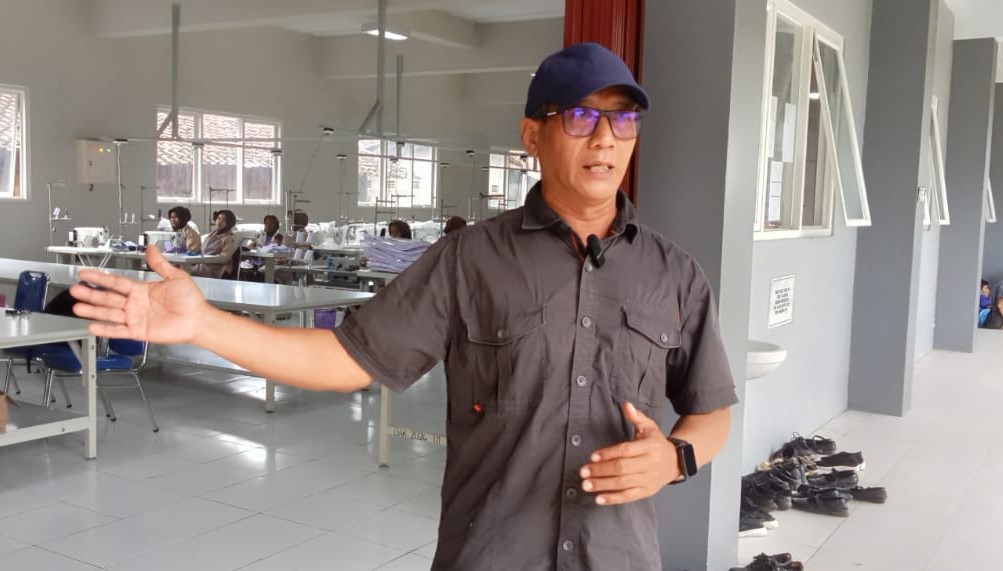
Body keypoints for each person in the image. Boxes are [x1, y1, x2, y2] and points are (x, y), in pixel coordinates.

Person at [70, 42, 736, 570]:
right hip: (491, 554)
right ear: (532, 135)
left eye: (623, 119)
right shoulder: (470, 259)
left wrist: (674, 457)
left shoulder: (673, 273)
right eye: (582, 117)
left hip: (617, 556)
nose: (606, 138)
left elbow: (711, 409)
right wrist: (205, 324)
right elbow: (347, 358)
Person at [192, 209, 238, 278]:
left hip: (216, 269)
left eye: (224, 220)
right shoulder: (212, 234)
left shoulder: (229, 238)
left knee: (184, 272)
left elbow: (224, 258)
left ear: (229, 223)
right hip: (203, 265)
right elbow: (203, 250)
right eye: (218, 218)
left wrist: (204, 259)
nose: (219, 222)